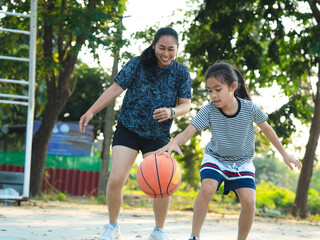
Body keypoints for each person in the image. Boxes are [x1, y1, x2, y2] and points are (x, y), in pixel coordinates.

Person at [156, 61, 302, 240]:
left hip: (242, 163)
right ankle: (194, 236)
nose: (213, 95)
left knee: (249, 202)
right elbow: (189, 131)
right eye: (209, 91)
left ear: (233, 86)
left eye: (218, 89)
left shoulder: (249, 108)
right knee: (208, 187)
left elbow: (267, 129)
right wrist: (174, 143)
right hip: (215, 158)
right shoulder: (209, 110)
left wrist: (284, 154)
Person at [79, 27, 191, 240]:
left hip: (158, 135)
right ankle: (113, 226)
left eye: (171, 49)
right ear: (153, 44)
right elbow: (114, 90)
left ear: (177, 49)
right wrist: (91, 111)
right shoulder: (137, 64)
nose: (165, 53)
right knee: (116, 179)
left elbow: (186, 105)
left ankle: (159, 230)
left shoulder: (181, 73)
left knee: (163, 181)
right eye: (161, 48)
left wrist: (171, 111)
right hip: (128, 129)